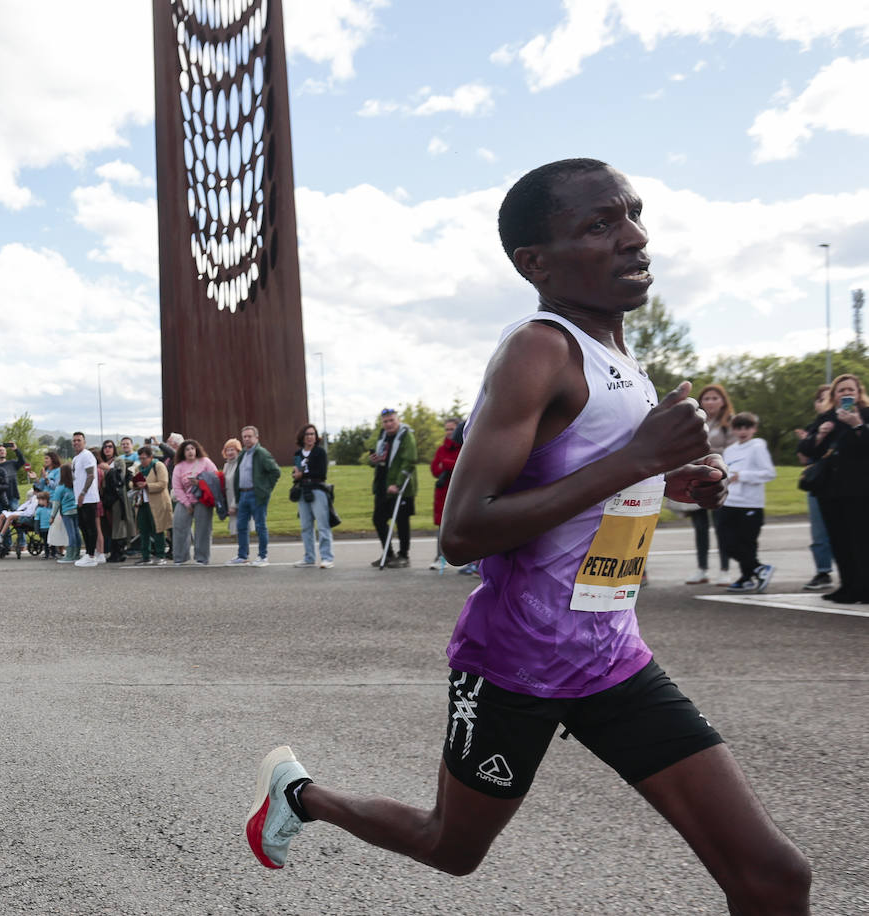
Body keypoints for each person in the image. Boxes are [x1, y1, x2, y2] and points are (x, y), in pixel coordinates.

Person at [245, 159, 811, 914]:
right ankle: (302, 796)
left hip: (611, 658)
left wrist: (666, 483)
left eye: (634, 215)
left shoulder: (624, 364)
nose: (636, 238)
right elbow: (464, 530)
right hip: (519, 663)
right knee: (453, 848)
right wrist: (639, 457)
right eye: (600, 225)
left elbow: (582, 487)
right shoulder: (539, 350)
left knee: (774, 876)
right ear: (534, 263)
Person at [796, 372, 869, 604]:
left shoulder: (865, 414)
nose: (847, 393)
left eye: (851, 390)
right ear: (834, 395)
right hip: (831, 489)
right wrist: (819, 435)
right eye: (842, 390)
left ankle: (864, 588)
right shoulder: (826, 417)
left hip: (860, 488)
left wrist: (857, 424)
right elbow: (806, 450)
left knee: (861, 540)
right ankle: (848, 586)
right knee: (839, 539)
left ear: (859, 393)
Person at [716, 412, 776, 593]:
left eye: (747, 427)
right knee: (727, 543)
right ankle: (758, 568)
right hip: (729, 502)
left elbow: (769, 473)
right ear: (733, 430)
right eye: (738, 427)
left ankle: (747, 577)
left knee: (747, 543)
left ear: (754, 429)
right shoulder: (730, 450)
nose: (743, 431)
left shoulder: (757, 446)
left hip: (750, 504)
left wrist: (742, 476)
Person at [684, 384, 736, 585]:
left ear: (723, 401)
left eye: (715, 398)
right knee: (700, 527)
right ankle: (702, 569)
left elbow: (734, 449)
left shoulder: (729, 422)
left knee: (722, 526)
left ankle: (724, 569)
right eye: (707, 398)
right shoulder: (696, 421)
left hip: (720, 477)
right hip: (698, 475)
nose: (711, 402)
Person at [795, 384, 836, 591]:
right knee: (819, 531)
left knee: (848, 530)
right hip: (819, 483)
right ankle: (823, 571)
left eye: (828, 398)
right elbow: (804, 458)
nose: (823, 403)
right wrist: (810, 440)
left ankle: (853, 571)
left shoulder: (847, 422)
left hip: (842, 483)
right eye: (820, 399)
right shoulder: (814, 426)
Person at [369, 408, 417, 568]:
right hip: (382, 485)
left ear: (398, 420)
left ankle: (404, 555)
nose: (388, 424)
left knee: (402, 521)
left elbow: (409, 460)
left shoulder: (406, 435)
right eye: (385, 421)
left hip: (400, 487)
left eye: (391, 420)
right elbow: (380, 459)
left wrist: (397, 483)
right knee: (378, 519)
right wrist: (373, 460)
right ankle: (388, 554)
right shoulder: (382, 436)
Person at [226, 426, 280, 567]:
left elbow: (275, 471)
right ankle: (242, 556)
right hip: (243, 494)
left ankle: (263, 556)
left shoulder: (261, 453)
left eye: (249, 436)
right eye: (244, 437)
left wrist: (265, 489)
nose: (247, 439)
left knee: (260, 525)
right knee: (241, 526)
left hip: (256, 494)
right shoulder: (243, 454)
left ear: (256, 437)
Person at [291, 424, 333, 569]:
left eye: (313, 434)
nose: (310, 437)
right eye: (307, 434)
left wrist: (303, 474)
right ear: (302, 437)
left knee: (322, 525)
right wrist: (296, 475)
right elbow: (297, 472)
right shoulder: (298, 454)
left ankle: (327, 557)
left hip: (317, 490)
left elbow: (322, 473)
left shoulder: (320, 452)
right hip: (303, 490)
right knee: (305, 526)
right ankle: (309, 558)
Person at [171, 438, 218, 565]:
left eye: (192, 448)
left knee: (203, 529)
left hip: (202, 499)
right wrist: (187, 504)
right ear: (183, 452)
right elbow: (177, 487)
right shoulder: (179, 467)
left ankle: (202, 557)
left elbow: (215, 477)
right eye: (187, 449)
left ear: (197, 450)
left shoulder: (205, 462)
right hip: (184, 500)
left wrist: (200, 482)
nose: (190, 451)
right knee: (179, 526)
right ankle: (180, 557)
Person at [429, 418, 462, 569]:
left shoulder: (465, 446)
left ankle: (465, 559)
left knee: (461, 525)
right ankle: (439, 556)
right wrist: (449, 464)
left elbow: (461, 466)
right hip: (443, 492)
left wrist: (446, 464)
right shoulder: (441, 449)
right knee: (442, 528)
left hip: (458, 492)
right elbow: (435, 469)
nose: (449, 432)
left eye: (452, 429)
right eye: (447, 429)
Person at [131, 445, 171, 565]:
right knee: (143, 530)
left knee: (157, 529)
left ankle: (160, 555)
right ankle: (145, 556)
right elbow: (131, 482)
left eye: (144, 458)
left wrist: (147, 485)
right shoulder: (138, 468)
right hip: (142, 503)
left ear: (151, 457)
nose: (142, 461)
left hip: (157, 503)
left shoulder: (158, 466)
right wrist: (135, 485)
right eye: (140, 458)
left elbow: (163, 483)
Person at [70, 432, 102, 566]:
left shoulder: (87, 455)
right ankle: (89, 552)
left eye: (79, 440)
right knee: (83, 526)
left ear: (84, 442)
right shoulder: (76, 458)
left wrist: (83, 493)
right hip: (80, 498)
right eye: (74, 441)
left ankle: (91, 555)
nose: (76, 442)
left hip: (88, 497)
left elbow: (91, 475)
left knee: (90, 527)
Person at [51, 463, 80, 564]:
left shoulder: (60, 487)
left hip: (66, 512)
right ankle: (76, 554)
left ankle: (70, 555)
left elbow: (56, 503)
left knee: (70, 533)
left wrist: (52, 516)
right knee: (76, 532)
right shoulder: (75, 484)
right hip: (77, 511)